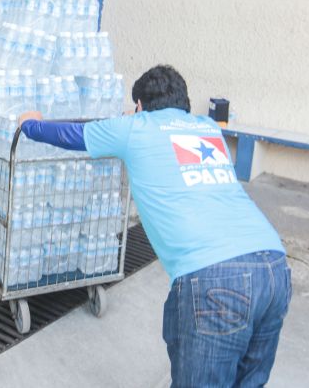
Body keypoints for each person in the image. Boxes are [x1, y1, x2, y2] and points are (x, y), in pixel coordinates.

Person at [19, 65, 291, 388]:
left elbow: (69, 135)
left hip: (215, 278)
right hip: (274, 268)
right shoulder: (207, 128)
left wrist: (30, 125)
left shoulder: (134, 128)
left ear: (139, 106)